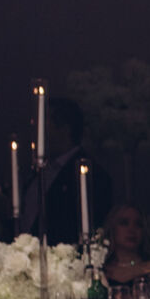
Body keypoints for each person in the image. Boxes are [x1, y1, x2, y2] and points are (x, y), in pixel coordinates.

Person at [18, 96, 111, 247]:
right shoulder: (39, 170)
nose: (37, 132)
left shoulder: (91, 175)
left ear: (64, 129)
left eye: (44, 125)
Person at [100, 203, 150, 285]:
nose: (132, 229)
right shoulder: (100, 269)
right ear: (112, 228)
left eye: (138, 224)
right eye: (124, 223)